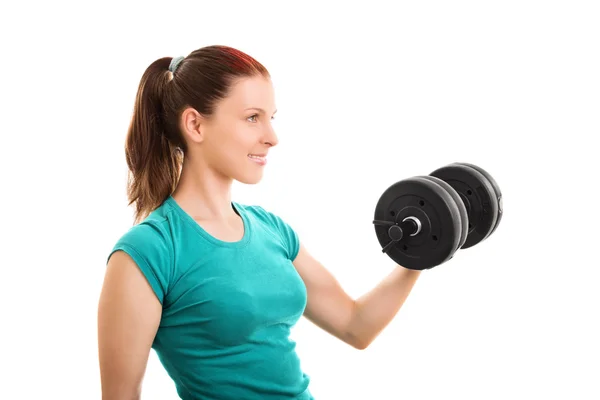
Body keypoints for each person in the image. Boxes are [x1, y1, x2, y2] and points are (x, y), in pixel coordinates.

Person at [98, 45, 422, 400]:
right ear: (195, 124)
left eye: (271, 117)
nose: (272, 136)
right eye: (252, 117)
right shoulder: (149, 251)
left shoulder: (272, 229)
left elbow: (355, 326)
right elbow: (120, 395)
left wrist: (419, 255)